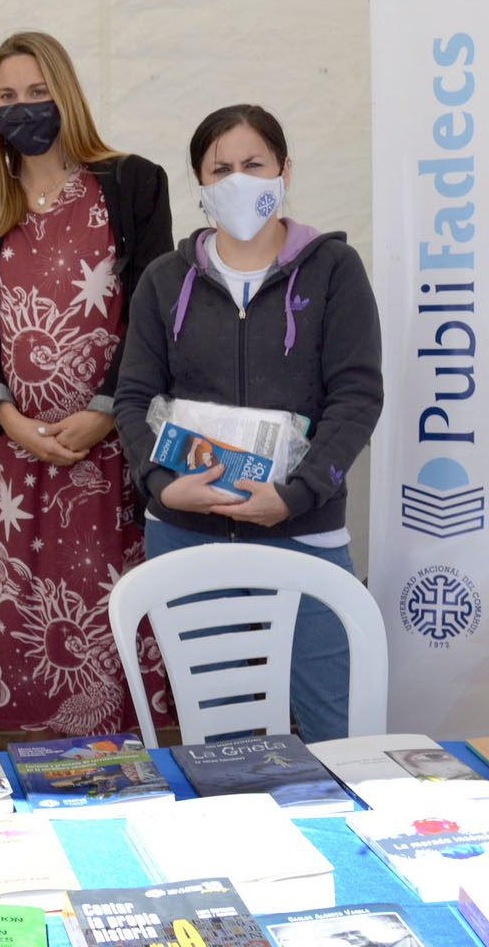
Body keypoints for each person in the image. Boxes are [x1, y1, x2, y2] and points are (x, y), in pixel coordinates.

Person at [114, 104, 383, 742]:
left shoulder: (334, 271)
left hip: (305, 533)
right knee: (221, 734)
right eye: (221, 169)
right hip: (186, 534)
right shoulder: (164, 280)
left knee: (335, 726)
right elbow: (133, 399)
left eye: (254, 164)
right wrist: (158, 484)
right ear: (201, 186)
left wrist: (296, 496)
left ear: (285, 171)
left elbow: (357, 396)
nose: (238, 181)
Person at [0, 30, 173, 734]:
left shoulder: (132, 182)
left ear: (67, 93)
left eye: (38, 93)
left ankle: (130, 768)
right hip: (21, 459)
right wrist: (9, 419)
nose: (24, 108)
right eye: (7, 97)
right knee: (29, 627)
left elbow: (153, 313)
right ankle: (30, 771)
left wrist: (106, 410)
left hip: (110, 454)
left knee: (113, 617)